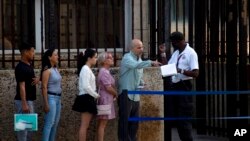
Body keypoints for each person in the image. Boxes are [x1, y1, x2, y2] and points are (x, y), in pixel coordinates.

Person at [118, 39, 161, 141]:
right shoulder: (127, 58)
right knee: (124, 122)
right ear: (132, 49)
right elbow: (135, 66)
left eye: (142, 47)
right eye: (139, 47)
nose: (141, 49)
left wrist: (142, 83)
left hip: (136, 95)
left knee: (134, 123)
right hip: (126, 94)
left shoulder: (140, 60)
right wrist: (151, 62)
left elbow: (139, 75)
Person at [166, 31, 199, 141]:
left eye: (173, 42)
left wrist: (181, 70)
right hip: (173, 86)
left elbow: (195, 73)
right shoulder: (176, 53)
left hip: (184, 87)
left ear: (178, 41)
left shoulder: (191, 53)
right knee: (173, 117)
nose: (172, 44)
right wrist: (162, 54)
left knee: (183, 119)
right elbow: (169, 66)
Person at [72, 48, 100, 141]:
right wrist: (96, 95)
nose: (96, 59)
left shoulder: (87, 69)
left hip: (88, 98)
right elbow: (86, 86)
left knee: (85, 126)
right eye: (95, 57)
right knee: (84, 126)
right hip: (86, 98)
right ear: (89, 58)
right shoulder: (85, 69)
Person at [14, 42, 39, 141]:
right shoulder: (20, 67)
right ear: (25, 52)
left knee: (29, 131)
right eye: (32, 51)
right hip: (23, 102)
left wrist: (37, 79)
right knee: (23, 132)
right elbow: (22, 86)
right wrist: (24, 104)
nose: (33, 54)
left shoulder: (28, 65)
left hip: (29, 101)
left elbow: (28, 81)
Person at [41, 49, 62, 141]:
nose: (58, 56)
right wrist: (46, 103)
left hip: (58, 98)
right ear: (50, 57)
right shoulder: (47, 71)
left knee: (55, 123)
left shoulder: (55, 69)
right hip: (51, 98)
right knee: (49, 123)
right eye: (56, 55)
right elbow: (44, 87)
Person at [96, 52, 118, 141]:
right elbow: (108, 87)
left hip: (107, 99)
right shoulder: (104, 72)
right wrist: (116, 93)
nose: (112, 59)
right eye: (109, 58)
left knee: (102, 123)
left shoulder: (105, 71)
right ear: (104, 61)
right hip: (105, 99)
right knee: (102, 124)